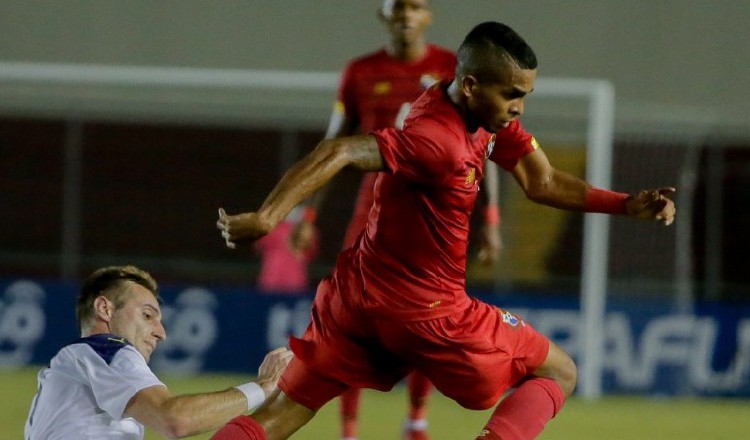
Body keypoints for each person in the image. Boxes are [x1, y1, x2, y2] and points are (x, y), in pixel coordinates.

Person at [214, 21, 676, 440]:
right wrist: (268, 217)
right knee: (559, 371)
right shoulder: (438, 143)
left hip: (357, 302)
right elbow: (339, 150)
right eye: (511, 94)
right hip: (431, 315)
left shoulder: (472, 110)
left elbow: (544, 181)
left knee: (275, 418)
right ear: (472, 85)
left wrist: (626, 204)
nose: (518, 107)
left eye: (524, 96)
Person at [300, 1, 499, 438]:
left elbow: (486, 144)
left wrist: (492, 220)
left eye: (416, 6)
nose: (407, 14)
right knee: (350, 320)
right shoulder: (359, 72)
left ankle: (416, 421)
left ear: (429, 15)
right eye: (399, 6)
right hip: (370, 218)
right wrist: (308, 213)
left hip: (435, 219)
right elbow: (335, 142)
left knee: (431, 316)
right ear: (383, 13)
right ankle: (349, 430)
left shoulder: (453, 68)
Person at [24, 265, 293, 440]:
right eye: (147, 315)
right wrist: (263, 387)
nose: (161, 333)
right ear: (105, 309)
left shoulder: (73, 368)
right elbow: (176, 419)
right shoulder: (107, 349)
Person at [256, 206, 318, 295]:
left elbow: (311, 251)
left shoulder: (305, 229)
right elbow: (259, 243)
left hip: (294, 282)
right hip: (272, 281)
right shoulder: (273, 227)